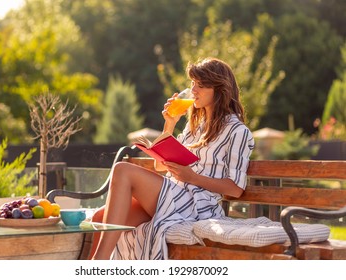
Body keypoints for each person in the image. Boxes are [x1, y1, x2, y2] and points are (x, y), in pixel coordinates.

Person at [90, 57, 254, 260]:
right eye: (193, 83)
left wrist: (192, 178)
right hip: (174, 195)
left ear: (220, 89)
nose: (193, 90)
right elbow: (160, 166)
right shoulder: (195, 126)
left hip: (198, 206)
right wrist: (169, 123)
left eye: (201, 85)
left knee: (123, 169)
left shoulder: (238, 131)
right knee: (99, 218)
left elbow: (236, 189)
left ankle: (99, 264)